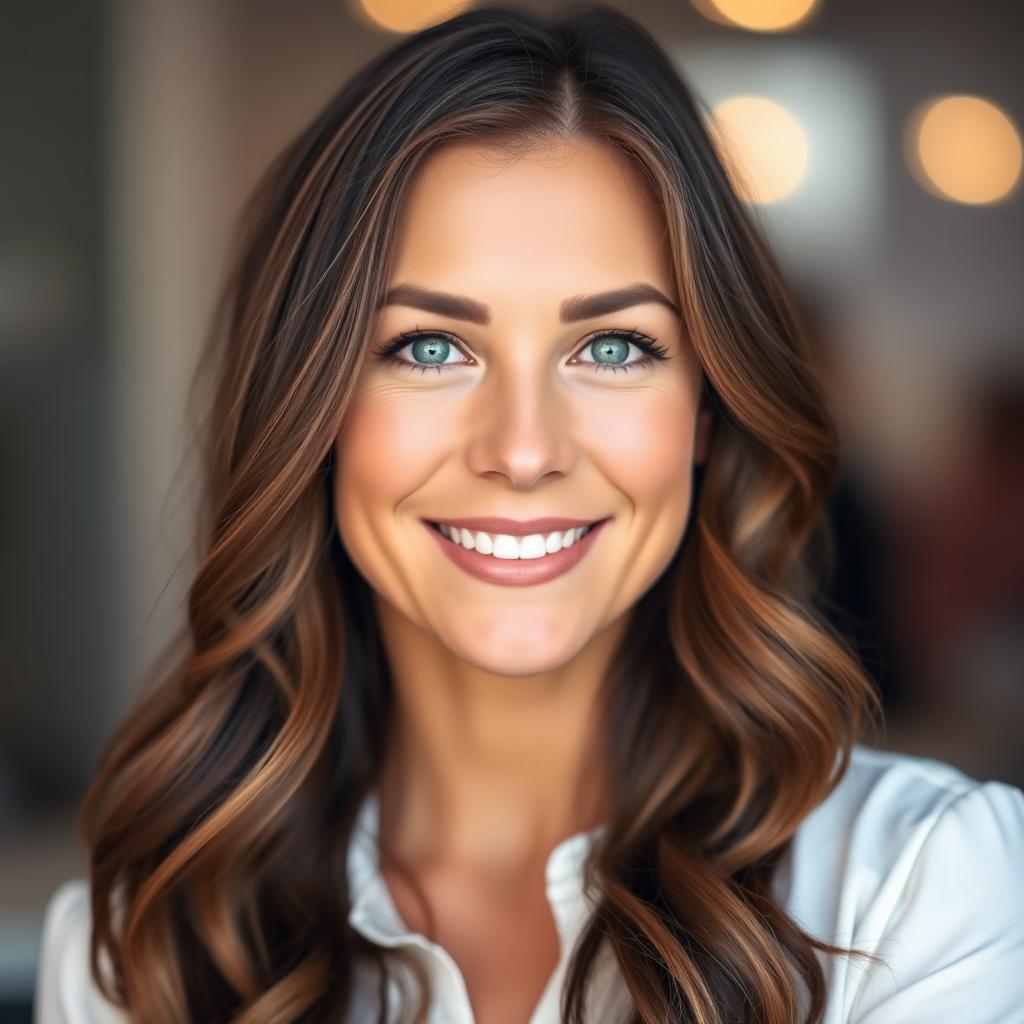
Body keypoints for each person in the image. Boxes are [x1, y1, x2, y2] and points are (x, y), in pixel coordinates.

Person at [34, 3, 1024, 1022]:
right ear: (312, 407)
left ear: (706, 408)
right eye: (428, 347)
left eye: (611, 348)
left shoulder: (918, 890)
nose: (521, 449)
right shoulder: (138, 948)